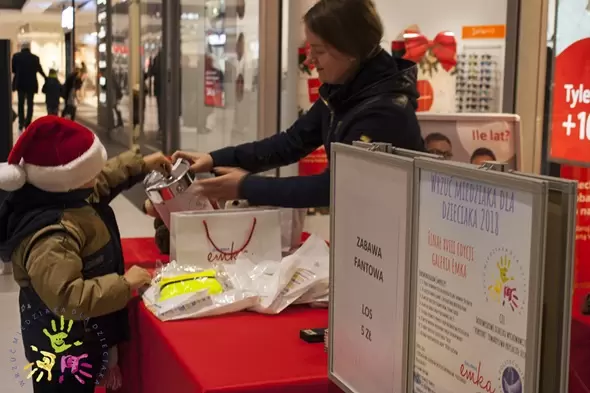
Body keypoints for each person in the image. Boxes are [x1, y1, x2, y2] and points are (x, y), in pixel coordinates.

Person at [173, 0, 424, 208]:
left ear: (350, 50)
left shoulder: (386, 112)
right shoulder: (342, 92)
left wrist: (246, 186)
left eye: (319, 50)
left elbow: (335, 187)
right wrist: (214, 158)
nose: (310, 59)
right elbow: (291, 142)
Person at [0, 116, 172, 392]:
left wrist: (141, 164)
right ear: (68, 178)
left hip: (81, 340)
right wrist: (124, 284)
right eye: (89, 172)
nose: (96, 177)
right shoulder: (51, 234)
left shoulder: (60, 192)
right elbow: (67, 297)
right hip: (61, 353)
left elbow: (102, 178)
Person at [12, 42, 47, 131]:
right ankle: (28, 122)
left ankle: (21, 122)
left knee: (21, 103)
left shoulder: (16, 57)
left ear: (21, 48)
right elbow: (39, 69)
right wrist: (46, 78)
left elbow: (13, 70)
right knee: (30, 104)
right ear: (29, 49)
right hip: (31, 84)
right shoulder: (35, 58)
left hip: (20, 83)